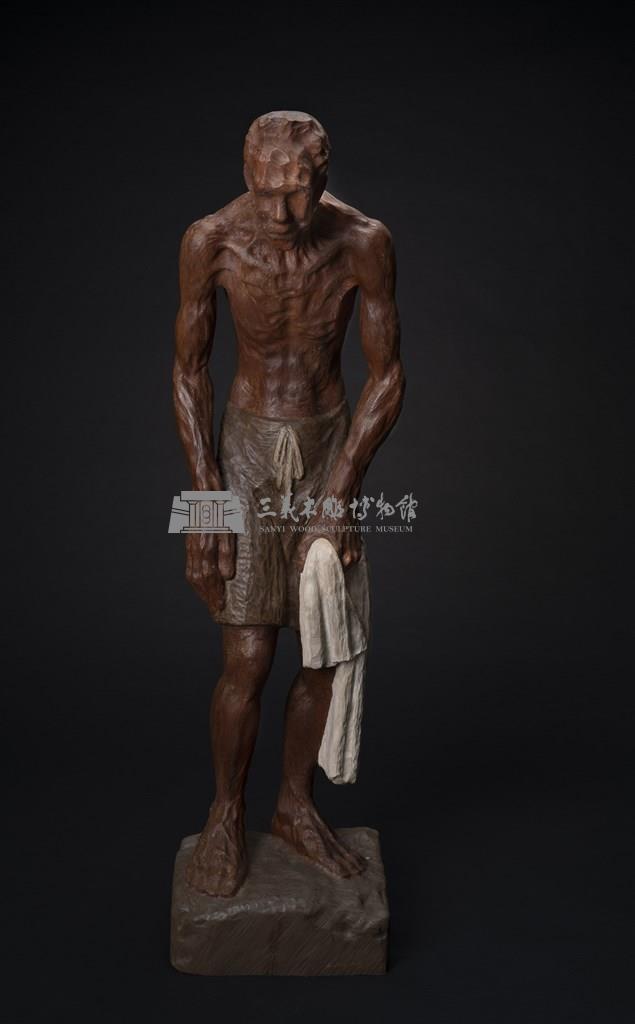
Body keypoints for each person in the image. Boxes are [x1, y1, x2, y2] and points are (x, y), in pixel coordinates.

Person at [173, 110, 404, 896]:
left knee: (322, 648)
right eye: (264, 191)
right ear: (245, 174)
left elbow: (387, 373)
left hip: (327, 450)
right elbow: (187, 373)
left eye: (297, 193)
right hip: (240, 453)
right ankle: (225, 811)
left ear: (322, 176)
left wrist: (341, 491)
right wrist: (202, 510)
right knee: (246, 655)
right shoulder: (209, 239)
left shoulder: (364, 241)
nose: (278, 213)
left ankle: (295, 806)